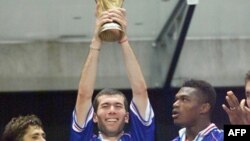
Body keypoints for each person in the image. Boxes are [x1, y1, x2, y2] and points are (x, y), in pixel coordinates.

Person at [69, 6, 155, 141]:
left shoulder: (140, 137)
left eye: (118, 106)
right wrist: (96, 40)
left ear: (127, 116)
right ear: (95, 117)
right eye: (105, 106)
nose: (112, 110)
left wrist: (123, 39)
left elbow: (140, 91)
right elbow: (84, 95)